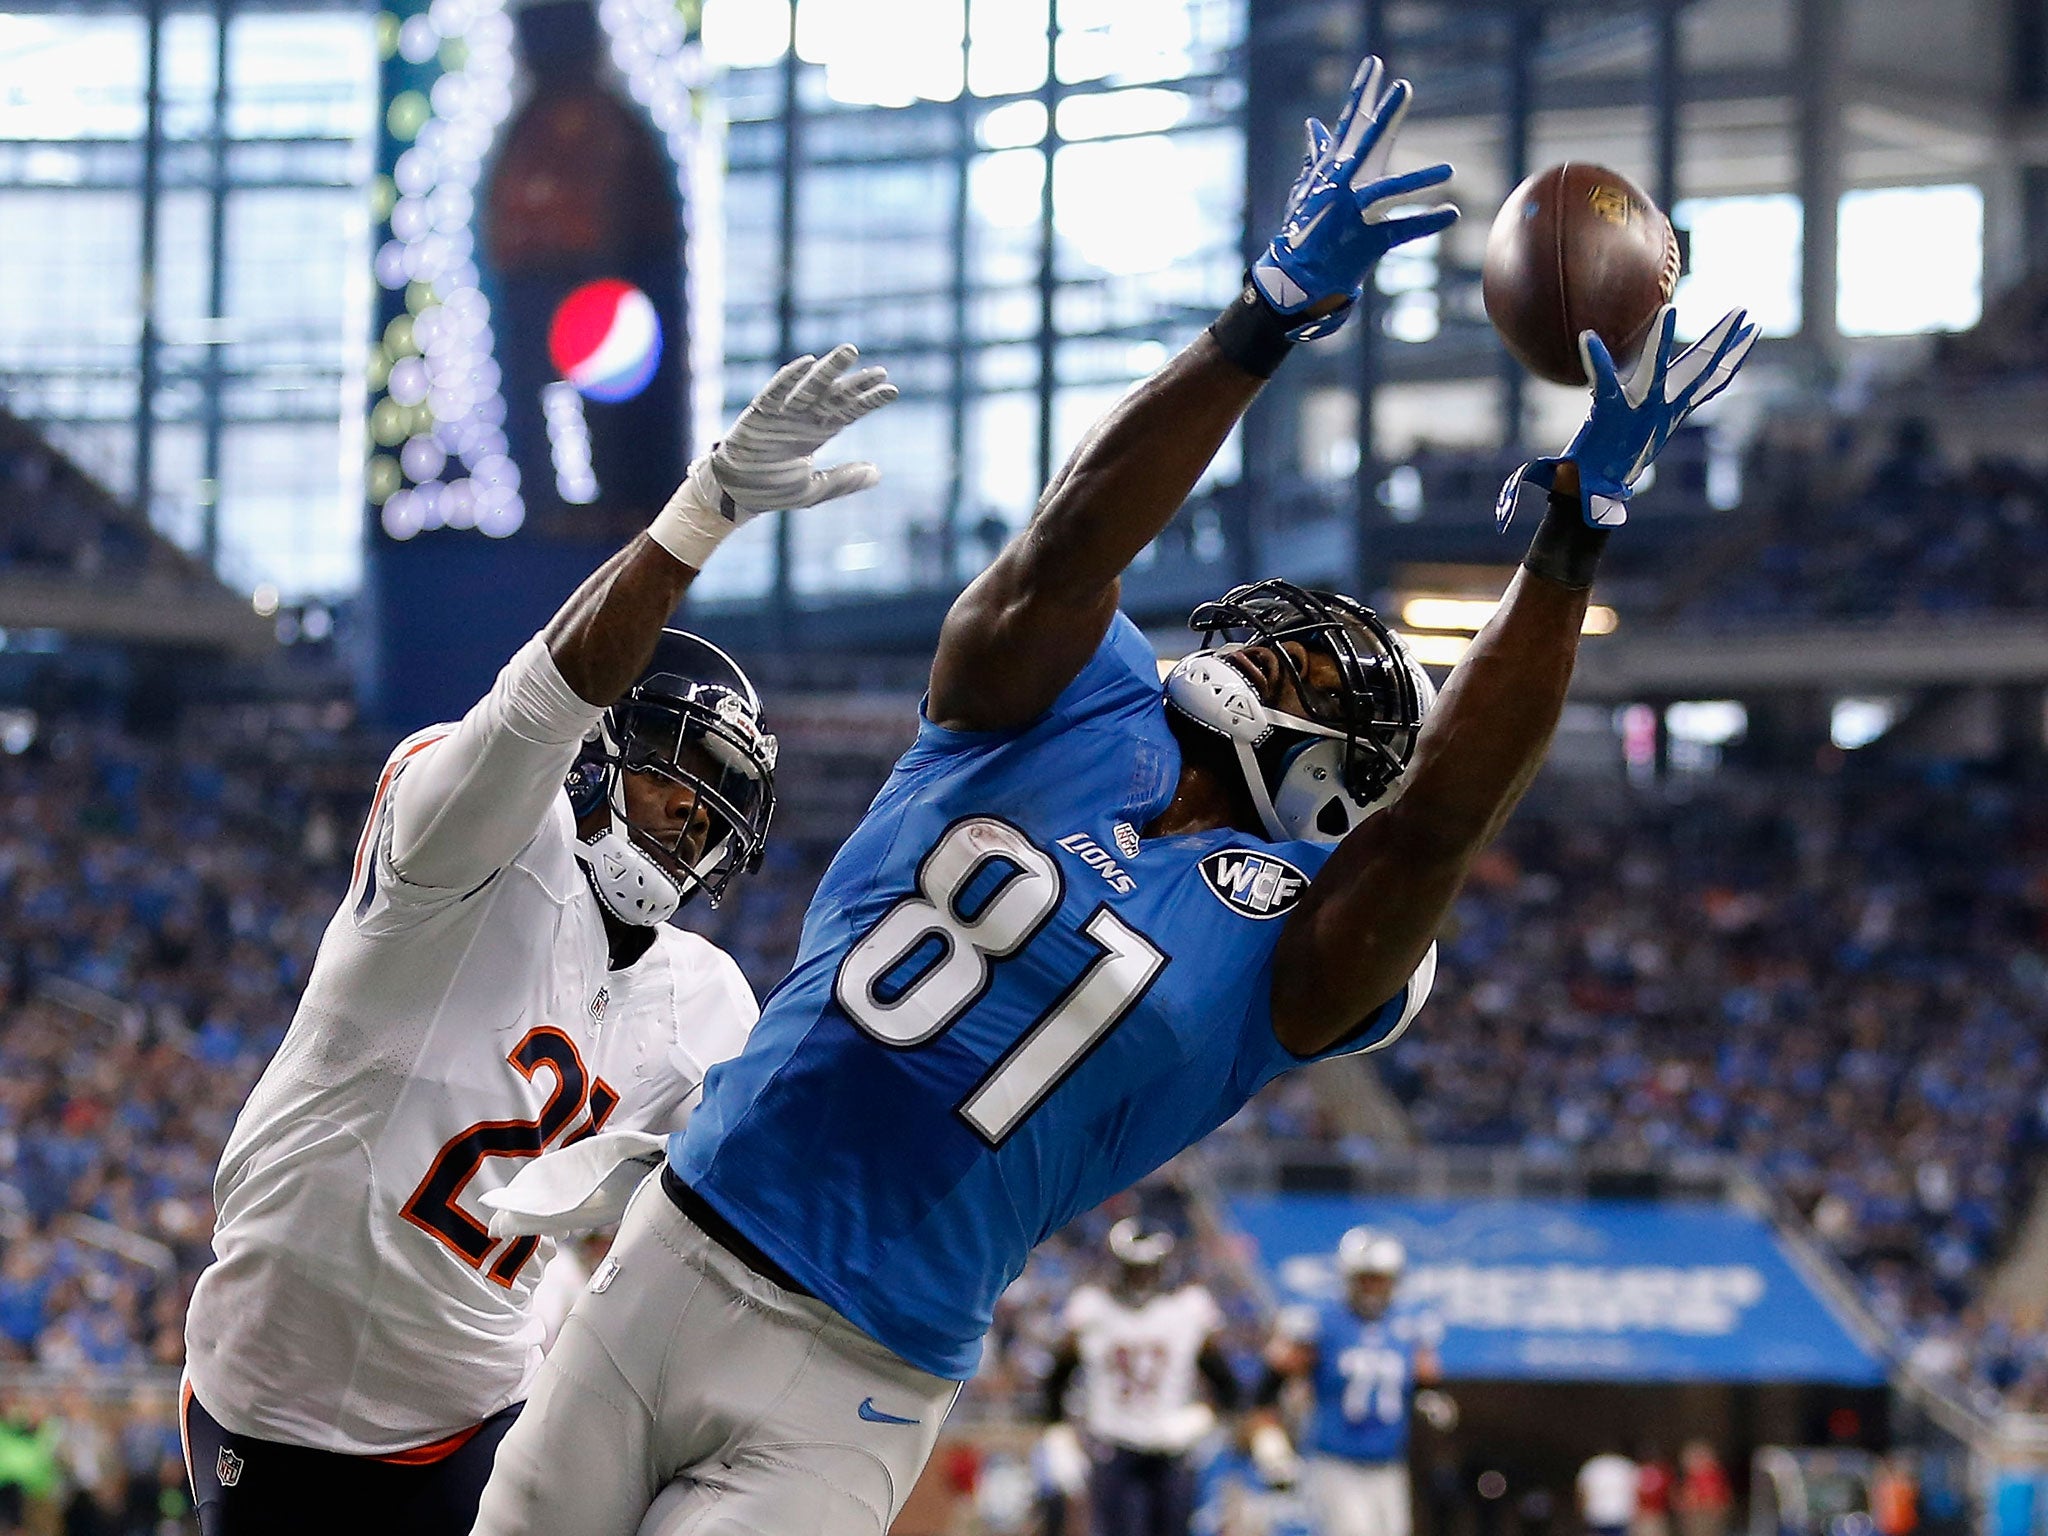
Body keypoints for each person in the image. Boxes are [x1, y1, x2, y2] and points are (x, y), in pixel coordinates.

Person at [473, 50, 1756, 1536]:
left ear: (1333, 787)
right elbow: (1067, 548)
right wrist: (1263, 319)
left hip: (861, 1373)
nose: (1278, 647)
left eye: (1328, 681)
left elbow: (1442, 822)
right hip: (675, 1252)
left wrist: (1576, 536)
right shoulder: (1082, 697)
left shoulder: (1299, 946)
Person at [177, 347, 899, 1535]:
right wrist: (701, 509)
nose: (693, 827)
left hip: (479, 1406)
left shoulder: (704, 996)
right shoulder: (472, 848)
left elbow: (774, 1187)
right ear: (610, 752)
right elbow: (535, 703)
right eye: (682, 782)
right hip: (277, 1395)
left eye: (722, 816)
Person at [1039, 1219, 1239, 1536]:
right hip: (1112, 1443)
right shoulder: (1093, 1309)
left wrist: (1203, 1418)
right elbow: (1057, 1377)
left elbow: (1226, 1384)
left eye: (1148, 1268)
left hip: (1170, 1446)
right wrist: (1057, 1432)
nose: (1141, 1277)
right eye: (1133, 1267)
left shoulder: (1188, 1311)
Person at [1249, 1229, 1442, 1536]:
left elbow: (1427, 1381)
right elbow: (1269, 1386)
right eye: (1366, 1279)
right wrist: (1271, 1441)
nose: (1373, 1289)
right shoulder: (1323, 1323)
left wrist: (1430, 1399)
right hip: (1336, 1462)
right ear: (1349, 1278)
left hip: (1389, 1464)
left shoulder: (1408, 1327)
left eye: (1380, 1279)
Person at [1579, 1450, 1640, 1536]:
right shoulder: (1626, 1464)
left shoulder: (1592, 1465)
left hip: (1598, 1514)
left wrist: (1583, 1512)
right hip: (1620, 1514)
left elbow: (1583, 1492)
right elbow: (1637, 1490)